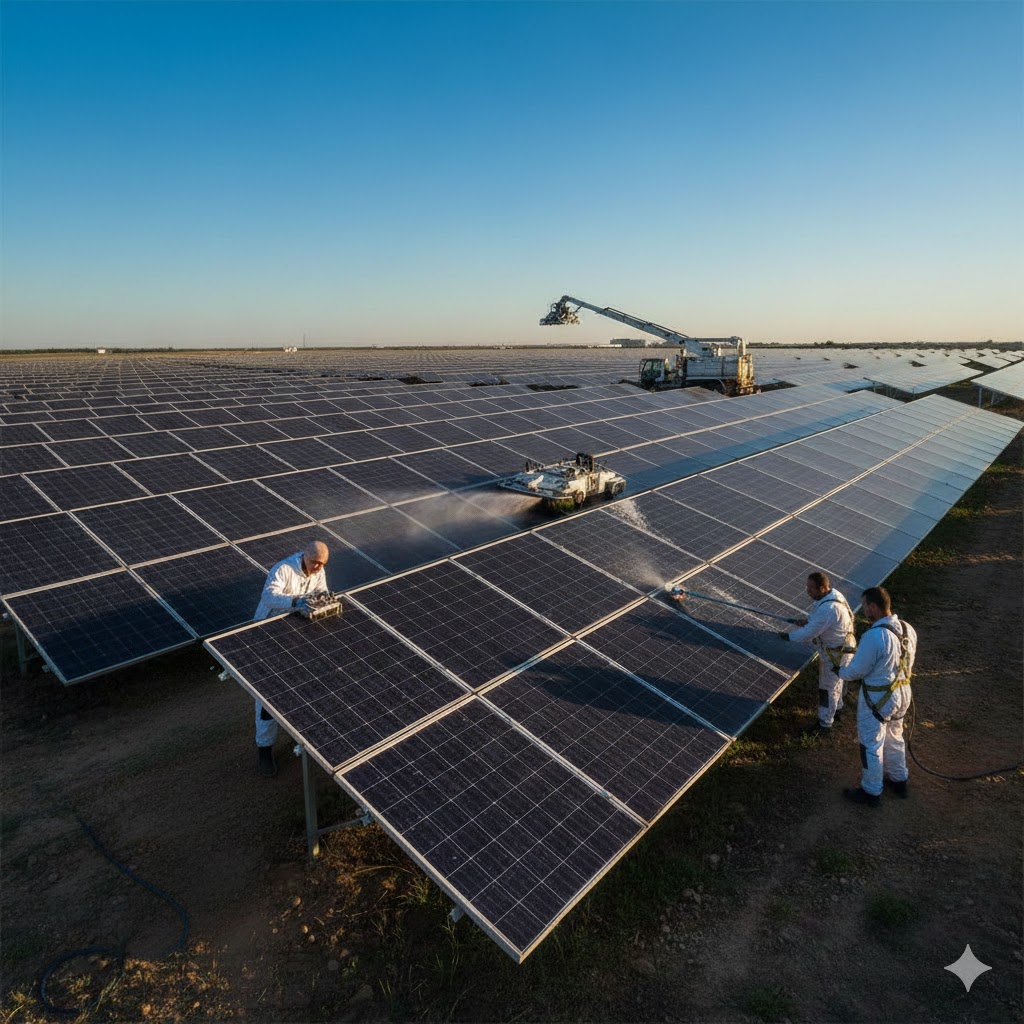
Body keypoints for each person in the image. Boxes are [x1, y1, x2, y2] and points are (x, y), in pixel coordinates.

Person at [252, 540, 330, 777]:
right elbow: (269, 596)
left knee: (298, 686)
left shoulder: (318, 570)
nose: (318, 568)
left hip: (293, 632)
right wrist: (296, 602)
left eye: (322, 565)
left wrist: (324, 601)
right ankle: (264, 748)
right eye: (315, 563)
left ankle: (304, 737)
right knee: (268, 695)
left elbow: (320, 592)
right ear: (305, 555)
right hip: (266, 633)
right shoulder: (283, 569)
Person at [835, 586, 917, 806]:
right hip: (903, 693)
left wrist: (839, 671)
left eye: (865, 607)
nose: (864, 612)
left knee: (871, 743)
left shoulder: (875, 635)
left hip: (878, 699)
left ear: (873, 607)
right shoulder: (908, 629)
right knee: (895, 736)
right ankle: (899, 780)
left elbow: (856, 671)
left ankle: (871, 791)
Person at [777, 571, 856, 732]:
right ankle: (838, 709)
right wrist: (809, 620)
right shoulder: (834, 595)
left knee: (828, 688)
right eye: (807, 587)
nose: (808, 591)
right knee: (837, 682)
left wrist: (788, 637)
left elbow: (808, 634)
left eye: (811, 588)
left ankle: (825, 723)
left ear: (823, 588)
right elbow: (823, 619)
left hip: (836, 655)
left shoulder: (829, 608)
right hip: (844, 648)